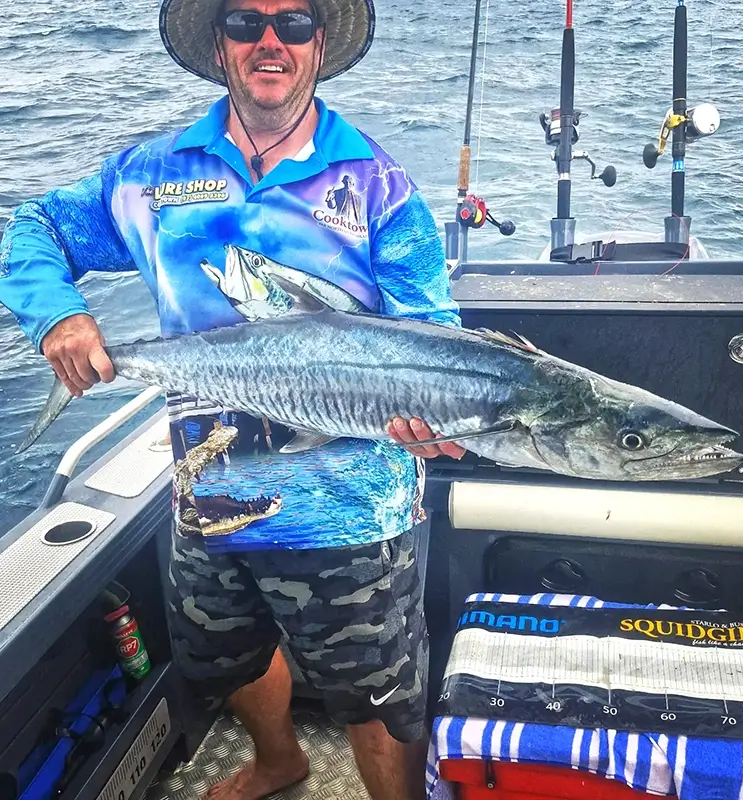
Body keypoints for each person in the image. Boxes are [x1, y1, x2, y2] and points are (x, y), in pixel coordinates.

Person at [0, 0, 466, 799]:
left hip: (350, 507)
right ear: (221, 45)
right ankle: (280, 760)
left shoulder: (377, 184)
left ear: (320, 42)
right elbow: (34, 227)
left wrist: (432, 416)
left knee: (380, 692)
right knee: (229, 654)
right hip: (208, 495)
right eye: (248, 23)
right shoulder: (153, 175)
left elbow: (432, 329)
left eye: (292, 23)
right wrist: (59, 314)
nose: (270, 42)